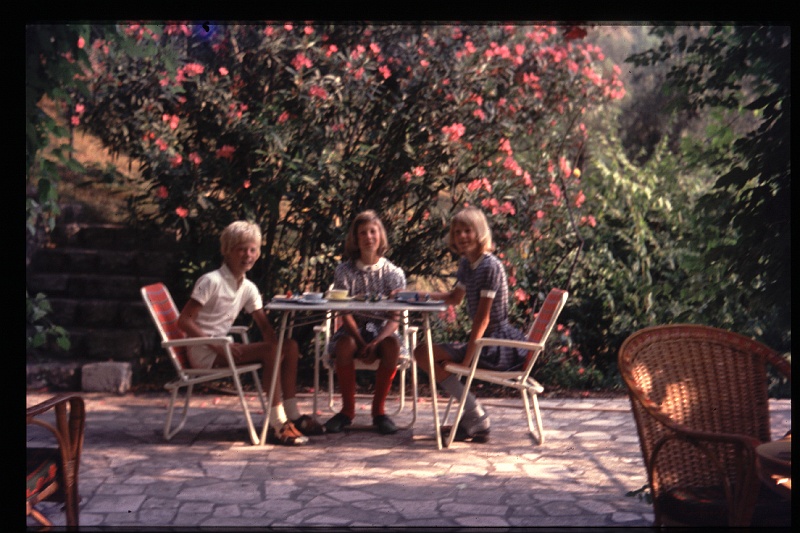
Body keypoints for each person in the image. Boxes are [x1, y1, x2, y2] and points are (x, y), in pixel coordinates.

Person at [177, 220, 324, 445]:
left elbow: (265, 327)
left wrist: (280, 352)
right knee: (271, 351)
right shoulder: (211, 281)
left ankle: (293, 414)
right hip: (205, 352)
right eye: (241, 249)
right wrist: (217, 345)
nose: (248, 255)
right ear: (227, 251)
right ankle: (278, 423)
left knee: (290, 345)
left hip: (224, 347)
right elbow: (184, 321)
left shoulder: (248, 287)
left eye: (252, 249)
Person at [412, 206, 530, 443]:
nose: (462, 236)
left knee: (424, 353)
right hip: (482, 339)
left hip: (496, 344)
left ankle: (475, 416)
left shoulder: (490, 267)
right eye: (457, 232)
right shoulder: (467, 263)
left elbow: (482, 318)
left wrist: (467, 359)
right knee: (422, 352)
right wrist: (416, 295)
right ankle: (474, 413)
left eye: (467, 231)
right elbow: (455, 298)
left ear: (480, 233)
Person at [323, 210, 407, 435]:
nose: (368, 237)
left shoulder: (393, 273)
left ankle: (379, 412)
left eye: (373, 231)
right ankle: (347, 411)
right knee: (344, 345)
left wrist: (376, 341)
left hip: (382, 332)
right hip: (353, 330)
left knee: (392, 345)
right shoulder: (345, 271)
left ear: (380, 235)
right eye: (363, 233)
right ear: (355, 238)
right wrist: (361, 342)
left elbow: (395, 317)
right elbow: (344, 311)